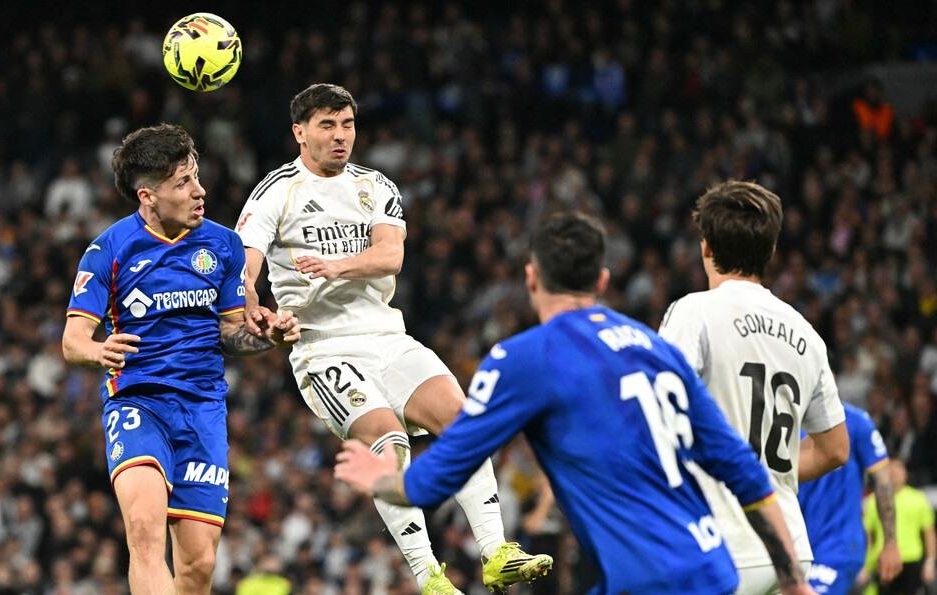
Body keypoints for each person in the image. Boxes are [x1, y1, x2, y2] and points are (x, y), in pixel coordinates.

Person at [333, 211, 816, 595]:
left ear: (531, 278)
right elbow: (745, 470)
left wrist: (383, 481)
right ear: (603, 280)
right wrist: (793, 580)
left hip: (649, 579)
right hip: (713, 569)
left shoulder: (524, 358)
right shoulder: (655, 349)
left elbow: (441, 473)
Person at [236, 83, 549, 594]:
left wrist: (335, 267)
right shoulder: (276, 192)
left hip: (386, 334)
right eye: (327, 126)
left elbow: (391, 256)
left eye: (348, 125)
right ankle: (429, 577)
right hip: (322, 346)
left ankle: (496, 553)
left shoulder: (374, 185)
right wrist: (259, 313)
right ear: (299, 132)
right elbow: (244, 271)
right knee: (389, 440)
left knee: (465, 423)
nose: (341, 137)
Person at [61, 123, 300, 595]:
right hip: (139, 403)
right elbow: (73, 342)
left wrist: (268, 337)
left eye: (196, 176)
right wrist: (98, 350)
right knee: (146, 533)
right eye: (183, 183)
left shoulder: (223, 245)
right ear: (147, 196)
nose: (199, 191)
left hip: (202, 411)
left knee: (198, 565)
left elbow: (232, 332)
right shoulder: (109, 248)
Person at [658, 180, 849, 595]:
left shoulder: (694, 313)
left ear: (706, 248)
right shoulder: (806, 333)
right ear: (772, 251)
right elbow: (835, 448)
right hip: (789, 549)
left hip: (720, 547)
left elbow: (660, 414)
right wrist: (764, 470)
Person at [798, 403, 901, 594]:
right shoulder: (783, 421)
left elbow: (883, 480)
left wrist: (890, 542)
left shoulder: (854, 421)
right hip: (796, 548)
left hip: (838, 547)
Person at [864, 459, 935, 595]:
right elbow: (868, 536)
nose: (895, 473)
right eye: (891, 469)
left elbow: (929, 533)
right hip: (883, 560)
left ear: (905, 473)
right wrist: (865, 566)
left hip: (911, 559)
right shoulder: (872, 501)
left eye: (898, 469)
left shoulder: (918, 499)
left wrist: (930, 561)